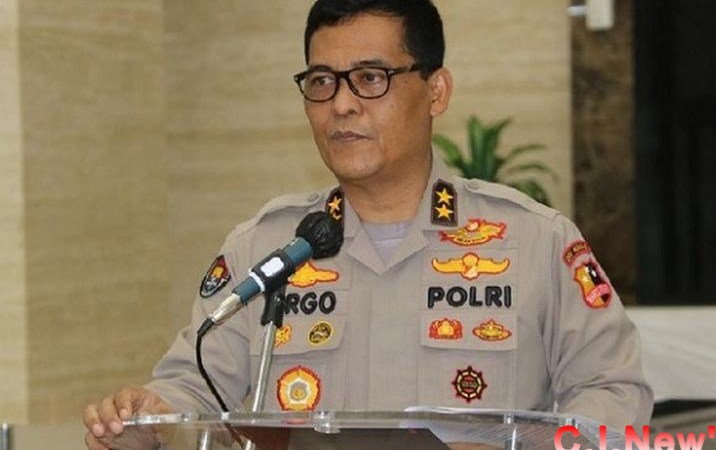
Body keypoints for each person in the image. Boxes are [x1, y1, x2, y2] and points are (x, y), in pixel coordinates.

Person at [83, 0, 653, 448]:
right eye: (322, 81)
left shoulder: (534, 241)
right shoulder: (266, 248)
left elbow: (613, 392)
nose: (342, 104)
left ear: (436, 91)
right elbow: (193, 386)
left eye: (370, 77)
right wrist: (150, 416)